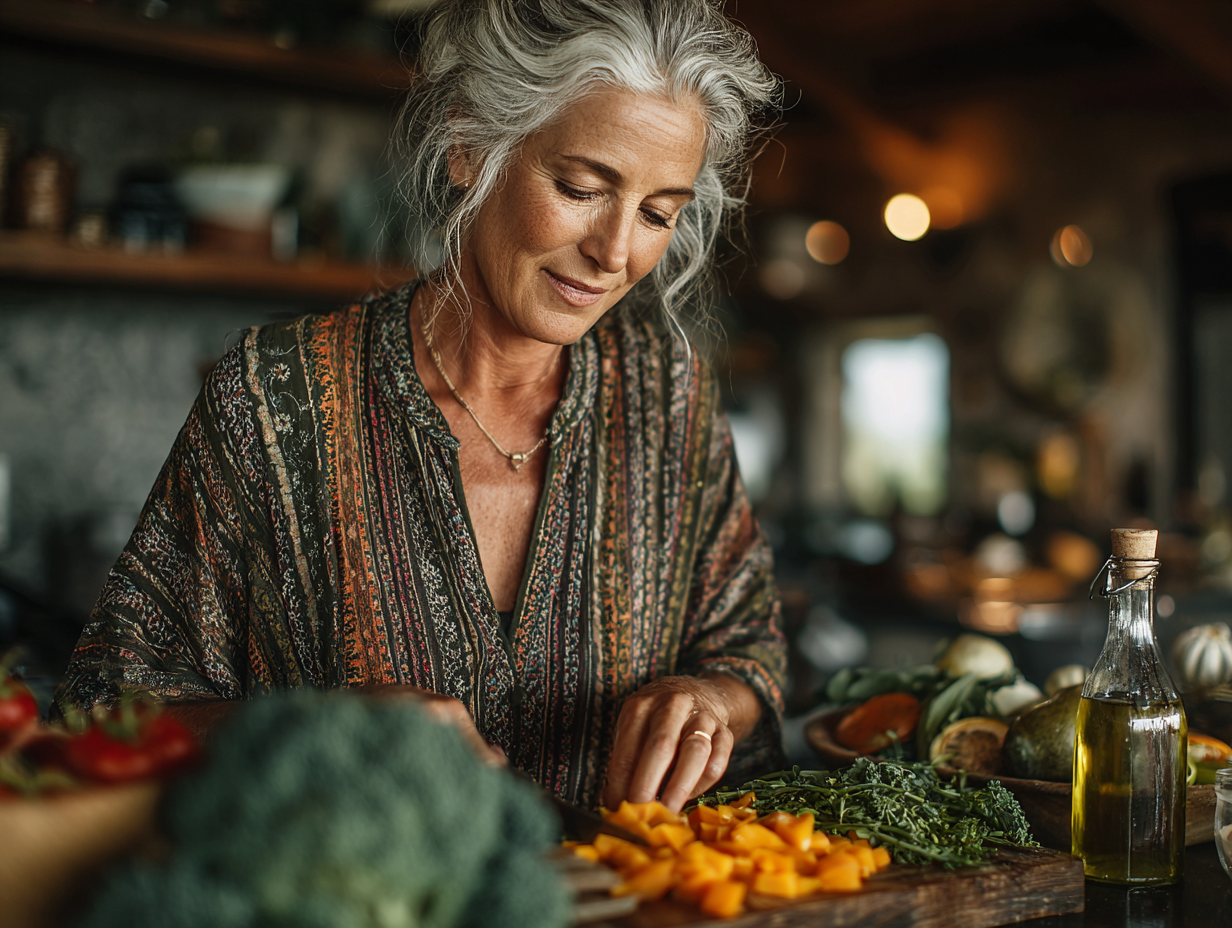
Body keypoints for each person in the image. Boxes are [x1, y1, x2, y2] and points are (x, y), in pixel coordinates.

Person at [56, 0, 786, 812]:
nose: (614, 253)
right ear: (470, 146)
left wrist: (713, 700)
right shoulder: (273, 395)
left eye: (657, 213)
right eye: (581, 188)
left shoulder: (666, 397)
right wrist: (321, 722)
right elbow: (104, 713)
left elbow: (750, 647)